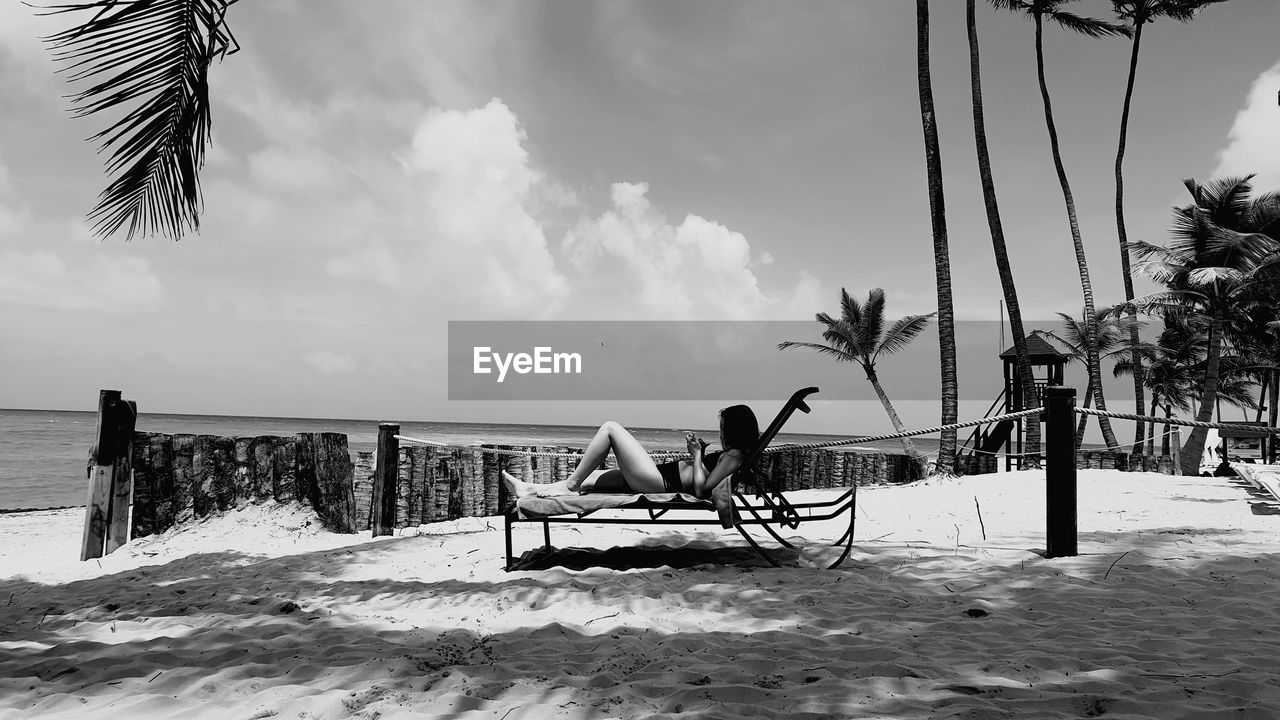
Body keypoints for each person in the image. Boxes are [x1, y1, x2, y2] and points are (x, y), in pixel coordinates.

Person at [501, 405, 760, 501]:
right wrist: (700, 454)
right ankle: (529, 490)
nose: (722, 432)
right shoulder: (735, 456)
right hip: (658, 476)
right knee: (590, 481)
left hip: (660, 482)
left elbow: (703, 491)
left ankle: (569, 486)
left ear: (734, 430)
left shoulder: (733, 455)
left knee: (610, 428)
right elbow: (706, 477)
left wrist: (695, 454)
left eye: (723, 427)